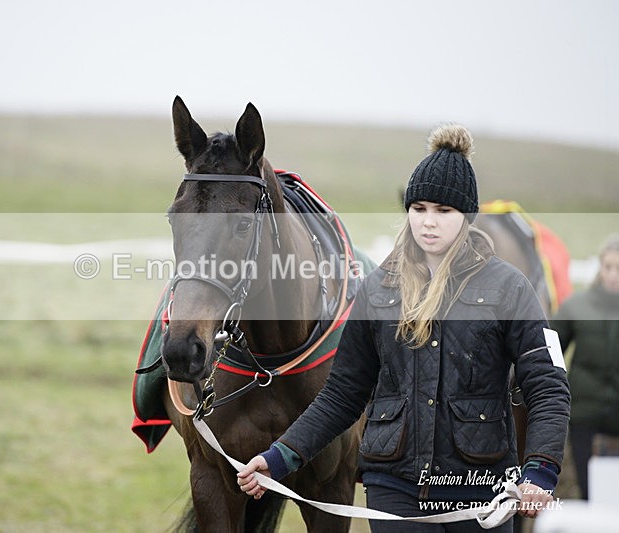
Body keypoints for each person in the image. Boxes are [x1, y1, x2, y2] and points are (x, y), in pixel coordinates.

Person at [237, 124, 571, 532]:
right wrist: (278, 457)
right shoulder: (377, 290)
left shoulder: (510, 289)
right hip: (394, 489)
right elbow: (343, 394)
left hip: (482, 489)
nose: (429, 223)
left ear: (466, 216)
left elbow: (548, 385)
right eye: (420, 209)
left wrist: (539, 470)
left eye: (443, 211)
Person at [550, 235, 619, 500]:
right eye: (608, 267)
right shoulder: (575, 307)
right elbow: (550, 352)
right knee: (590, 492)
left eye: (618, 268)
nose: (613, 275)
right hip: (583, 414)